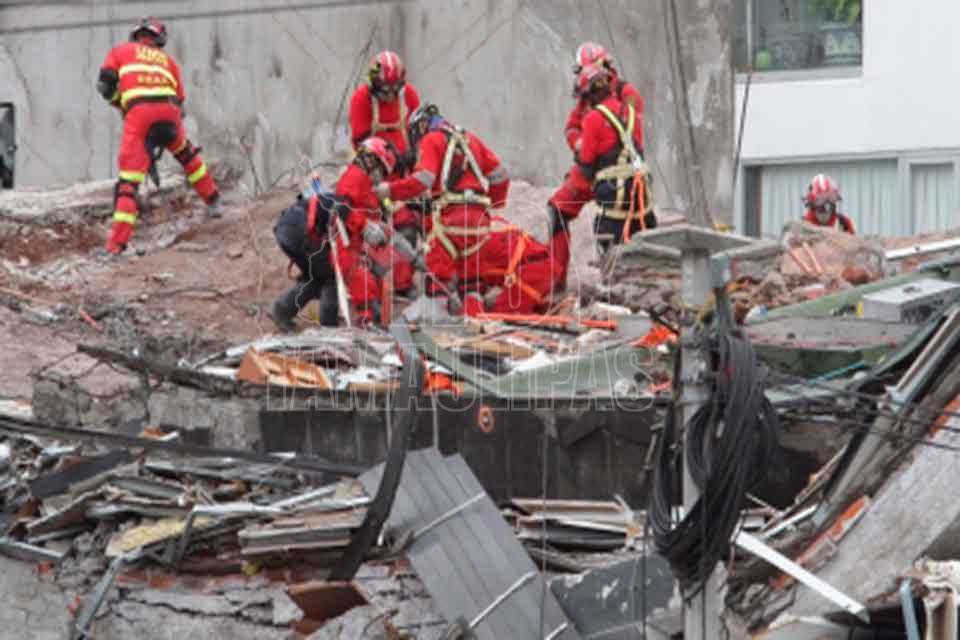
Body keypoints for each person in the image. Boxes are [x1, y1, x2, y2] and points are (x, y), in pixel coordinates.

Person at [375, 104, 558, 315]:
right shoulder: (470, 140)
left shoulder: (431, 140)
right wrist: (493, 204)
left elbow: (424, 178)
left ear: (421, 126)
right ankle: (474, 320)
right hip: (479, 222)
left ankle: (435, 320)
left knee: (437, 270)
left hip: (451, 219)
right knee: (471, 281)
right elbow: (500, 176)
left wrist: (390, 190)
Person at [97, 17, 222, 254]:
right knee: (187, 155)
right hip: (170, 113)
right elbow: (180, 102)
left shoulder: (121, 51)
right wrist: (167, 126)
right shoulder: (169, 61)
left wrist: (121, 103)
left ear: (136, 36)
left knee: (128, 183)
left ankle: (115, 247)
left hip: (139, 116)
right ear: (159, 39)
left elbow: (105, 86)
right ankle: (215, 202)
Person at [548, 64, 656, 288]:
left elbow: (587, 164)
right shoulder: (629, 109)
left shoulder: (593, 118)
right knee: (641, 246)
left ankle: (559, 280)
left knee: (561, 213)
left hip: (613, 196)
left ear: (590, 94)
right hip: (640, 192)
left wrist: (579, 152)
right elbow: (637, 148)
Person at [349, 51, 422, 237]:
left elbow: (420, 130)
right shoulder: (361, 99)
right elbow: (360, 143)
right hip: (375, 173)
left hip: (406, 171)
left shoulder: (408, 95)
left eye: (394, 89)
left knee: (420, 216)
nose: (390, 95)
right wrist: (387, 159)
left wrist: (414, 154)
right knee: (385, 220)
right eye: (385, 90)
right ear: (373, 84)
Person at [564, 42, 644, 155]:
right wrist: (579, 143)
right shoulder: (585, 99)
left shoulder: (627, 93)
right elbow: (572, 127)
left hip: (623, 158)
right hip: (593, 160)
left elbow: (635, 127)